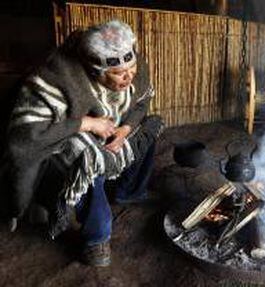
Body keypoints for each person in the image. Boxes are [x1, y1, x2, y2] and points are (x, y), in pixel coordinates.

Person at [1, 20, 164, 267]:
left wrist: (125, 128)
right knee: (84, 157)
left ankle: (128, 192)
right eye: (119, 73)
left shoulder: (134, 66)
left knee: (149, 128)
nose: (128, 76)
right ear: (95, 69)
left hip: (113, 128)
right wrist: (86, 124)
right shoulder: (57, 76)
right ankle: (97, 237)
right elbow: (26, 134)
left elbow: (141, 102)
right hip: (66, 137)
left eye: (131, 67)